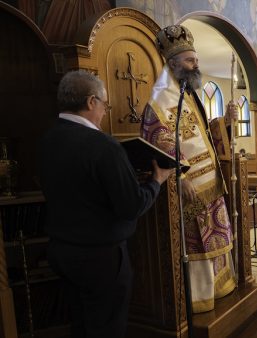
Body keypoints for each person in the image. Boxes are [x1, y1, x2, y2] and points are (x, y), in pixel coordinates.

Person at [39, 70, 173, 338]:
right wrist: (156, 181)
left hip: (61, 251)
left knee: (82, 322)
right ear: (91, 102)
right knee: (107, 327)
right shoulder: (104, 146)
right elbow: (131, 206)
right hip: (100, 258)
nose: (105, 111)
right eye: (104, 104)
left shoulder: (47, 139)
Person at [140, 25, 237, 313]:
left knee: (217, 238)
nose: (197, 65)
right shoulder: (159, 103)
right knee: (198, 243)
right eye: (190, 61)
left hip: (211, 182)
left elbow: (203, 133)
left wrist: (226, 122)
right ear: (173, 64)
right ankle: (198, 298)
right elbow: (158, 140)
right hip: (189, 188)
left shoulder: (190, 96)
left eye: (196, 60)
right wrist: (179, 175)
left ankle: (222, 288)